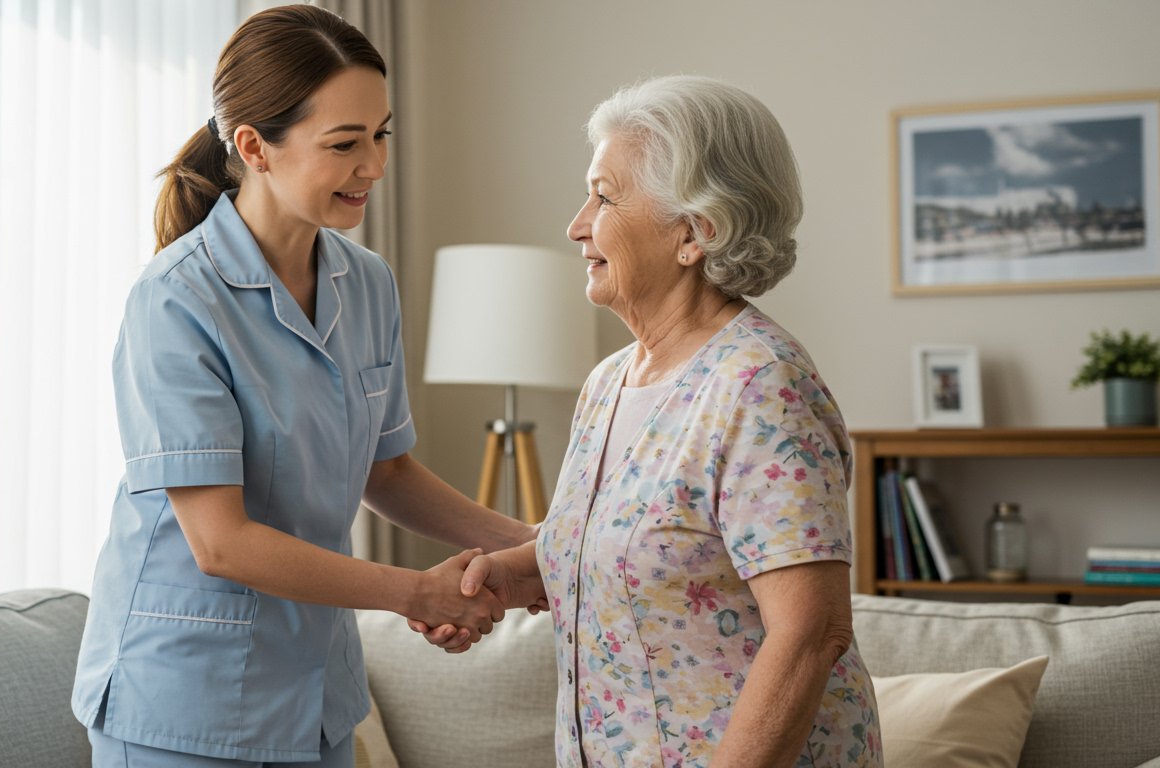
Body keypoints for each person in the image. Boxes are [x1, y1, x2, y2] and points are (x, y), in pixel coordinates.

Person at [70, 6, 532, 766]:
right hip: (184, 699)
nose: (375, 166)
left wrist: (534, 548)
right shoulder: (177, 300)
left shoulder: (368, 281)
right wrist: (416, 592)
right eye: (345, 144)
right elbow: (220, 542)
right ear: (254, 147)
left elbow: (386, 470)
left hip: (318, 692)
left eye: (381, 135)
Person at [415, 76, 883, 766]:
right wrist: (502, 580)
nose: (577, 224)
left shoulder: (761, 387)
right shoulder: (609, 382)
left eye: (604, 196)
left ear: (695, 232)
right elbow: (623, 557)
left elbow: (812, 633)